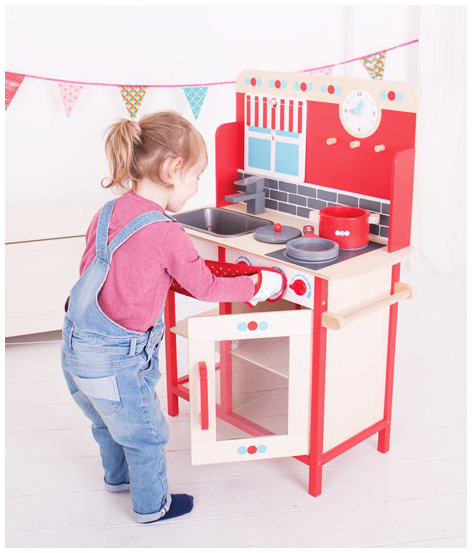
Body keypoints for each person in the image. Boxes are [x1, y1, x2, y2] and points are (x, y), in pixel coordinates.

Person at [61, 111, 284, 524]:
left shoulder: (108, 212)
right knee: (146, 436)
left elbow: (94, 268)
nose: (198, 185)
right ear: (172, 169)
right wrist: (258, 286)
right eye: (197, 174)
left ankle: (117, 479)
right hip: (119, 359)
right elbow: (207, 288)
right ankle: (152, 507)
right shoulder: (166, 233)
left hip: (75, 349)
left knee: (107, 422)